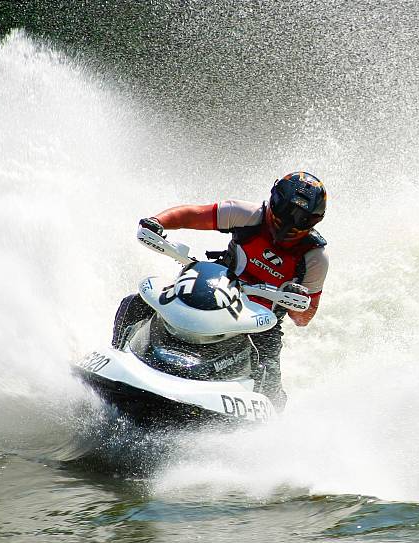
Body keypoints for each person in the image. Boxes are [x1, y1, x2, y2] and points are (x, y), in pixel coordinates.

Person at [114, 171, 329, 411]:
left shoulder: (315, 258)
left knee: (268, 366)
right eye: (284, 210)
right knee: (137, 302)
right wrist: (158, 222)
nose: (289, 221)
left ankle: (270, 422)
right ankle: (115, 355)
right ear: (273, 201)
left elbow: (304, 317)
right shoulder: (247, 214)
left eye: (301, 218)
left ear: (315, 221)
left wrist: (294, 299)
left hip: (257, 322)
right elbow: (192, 215)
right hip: (213, 288)